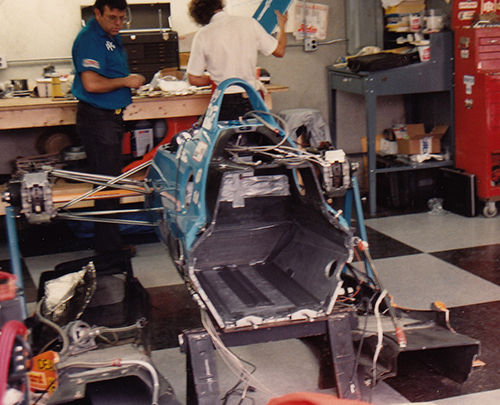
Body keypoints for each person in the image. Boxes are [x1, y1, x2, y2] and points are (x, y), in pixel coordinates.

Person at [72, 0, 145, 254]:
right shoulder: (90, 38)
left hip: (110, 119)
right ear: (97, 13)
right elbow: (91, 83)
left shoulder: (109, 36)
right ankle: (108, 253)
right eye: (112, 18)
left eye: (122, 18)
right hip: (98, 119)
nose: (118, 23)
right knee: (107, 185)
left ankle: (110, 245)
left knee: (111, 183)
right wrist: (127, 81)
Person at [187, 0, 287, 120]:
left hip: (224, 98)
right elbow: (279, 51)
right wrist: (282, 26)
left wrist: (213, 78)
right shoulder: (249, 23)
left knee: (224, 137)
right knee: (255, 136)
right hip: (251, 95)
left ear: (199, 16)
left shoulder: (202, 35)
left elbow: (193, 79)